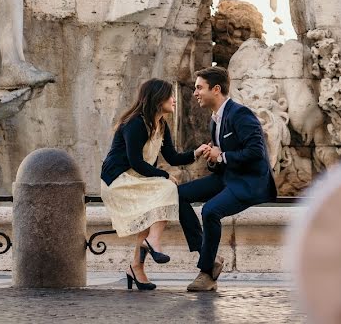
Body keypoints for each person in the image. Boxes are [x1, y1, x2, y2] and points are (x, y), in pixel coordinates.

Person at [100, 79, 209, 291]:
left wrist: (196, 152)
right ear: (158, 98)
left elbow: (172, 157)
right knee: (168, 189)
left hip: (138, 178)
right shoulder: (135, 123)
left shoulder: (160, 124)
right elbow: (135, 162)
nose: (174, 99)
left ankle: (136, 267)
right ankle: (153, 242)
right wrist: (163, 176)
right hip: (119, 180)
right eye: (170, 95)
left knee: (157, 206)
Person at [178, 66, 278, 292]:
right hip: (227, 176)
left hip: (248, 181)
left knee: (210, 211)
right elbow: (221, 159)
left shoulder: (240, 114)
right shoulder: (215, 119)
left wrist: (221, 155)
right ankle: (208, 256)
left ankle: (206, 273)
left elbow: (256, 152)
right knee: (179, 194)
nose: (195, 93)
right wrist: (213, 159)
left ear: (216, 89)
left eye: (199, 88)